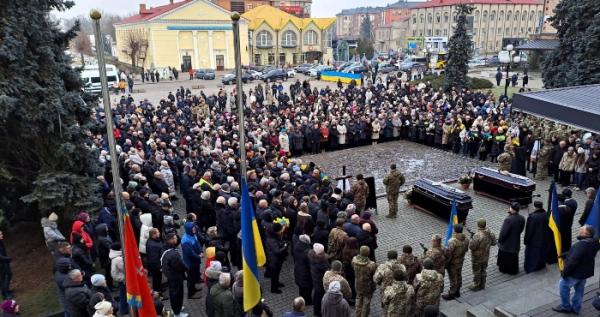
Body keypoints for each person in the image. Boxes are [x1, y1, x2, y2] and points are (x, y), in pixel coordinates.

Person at [552, 225, 600, 315]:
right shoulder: (595, 242)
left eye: (582, 229)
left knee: (563, 286)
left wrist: (564, 273)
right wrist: (567, 254)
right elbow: (582, 254)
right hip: (585, 272)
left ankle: (565, 306)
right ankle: (576, 308)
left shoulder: (581, 245)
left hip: (575, 273)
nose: (580, 229)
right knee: (579, 290)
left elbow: (573, 261)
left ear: (585, 233)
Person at [161, 233, 188, 317]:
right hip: (176, 277)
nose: (177, 239)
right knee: (177, 294)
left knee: (174, 294)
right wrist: (186, 268)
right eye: (175, 238)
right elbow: (180, 266)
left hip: (170, 276)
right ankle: (177, 312)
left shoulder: (165, 248)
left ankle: (177, 308)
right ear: (171, 240)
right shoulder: (173, 254)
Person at [373, 250, 405, 316]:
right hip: (399, 290)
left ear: (388, 257)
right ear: (396, 257)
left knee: (386, 308)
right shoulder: (402, 267)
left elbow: (376, 279)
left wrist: (380, 283)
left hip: (386, 291)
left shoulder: (382, 267)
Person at [497, 202, 525, 275]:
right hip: (515, 241)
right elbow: (521, 229)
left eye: (510, 207)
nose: (509, 208)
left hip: (507, 243)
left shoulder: (508, 219)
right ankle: (513, 270)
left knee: (505, 256)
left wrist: (500, 240)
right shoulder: (522, 218)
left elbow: (503, 233)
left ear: (512, 209)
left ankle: (504, 269)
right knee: (513, 257)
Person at [469, 218, 497, 291]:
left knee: (477, 271)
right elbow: (494, 243)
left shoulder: (477, 235)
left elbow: (472, 247)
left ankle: (476, 285)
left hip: (477, 257)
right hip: (486, 256)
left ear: (478, 225)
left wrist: (471, 238)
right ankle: (483, 284)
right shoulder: (490, 233)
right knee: (483, 270)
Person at [442, 224, 469, 300]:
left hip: (453, 263)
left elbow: (449, 253)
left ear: (455, 231)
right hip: (461, 261)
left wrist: (446, 263)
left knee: (453, 278)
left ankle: (451, 293)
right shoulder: (466, 239)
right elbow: (466, 250)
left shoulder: (452, 241)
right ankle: (458, 291)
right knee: (459, 275)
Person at [352, 245, 377, 317]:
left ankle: (357, 314)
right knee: (366, 302)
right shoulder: (371, 265)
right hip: (367, 286)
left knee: (358, 298)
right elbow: (374, 274)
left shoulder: (354, 260)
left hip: (358, 284)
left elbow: (352, 267)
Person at [524, 201, 548, 273]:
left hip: (534, 241)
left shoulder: (532, 217)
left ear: (535, 207)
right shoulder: (546, 214)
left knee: (532, 255)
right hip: (543, 239)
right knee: (541, 253)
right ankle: (540, 265)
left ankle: (531, 268)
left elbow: (529, 230)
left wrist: (526, 240)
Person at [181, 221, 202, 299]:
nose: (194, 229)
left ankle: (194, 289)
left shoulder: (193, 235)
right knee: (190, 279)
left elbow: (198, 244)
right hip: (190, 263)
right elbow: (190, 253)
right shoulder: (185, 240)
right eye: (193, 228)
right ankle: (190, 294)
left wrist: (201, 251)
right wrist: (198, 256)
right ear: (189, 229)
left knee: (193, 277)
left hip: (195, 261)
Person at [265, 223, 287, 294]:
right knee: (274, 275)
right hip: (274, 260)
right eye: (280, 230)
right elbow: (277, 251)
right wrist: (285, 247)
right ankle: (273, 289)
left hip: (276, 260)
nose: (281, 231)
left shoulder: (273, 235)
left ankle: (277, 283)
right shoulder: (271, 240)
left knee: (277, 273)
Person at [309, 243, 329, 317]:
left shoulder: (312, 257)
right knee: (319, 296)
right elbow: (327, 271)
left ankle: (316, 310)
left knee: (316, 295)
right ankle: (318, 312)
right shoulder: (321, 262)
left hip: (315, 280)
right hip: (320, 281)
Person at [293, 234, 313, 305]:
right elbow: (310, 263)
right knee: (308, 288)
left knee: (301, 287)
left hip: (298, 269)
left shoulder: (297, 245)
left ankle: (302, 297)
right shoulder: (307, 252)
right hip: (305, 272)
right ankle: (307, 301)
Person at [0, 232, 11, 300]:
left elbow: (4, 252)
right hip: (1, 264)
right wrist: (9, 258)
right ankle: (5, 295)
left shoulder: (1, 242)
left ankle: (6, 290)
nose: (2, 235)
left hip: (4, 263)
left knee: (9, 274)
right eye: (0, 234)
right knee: (2, 280)